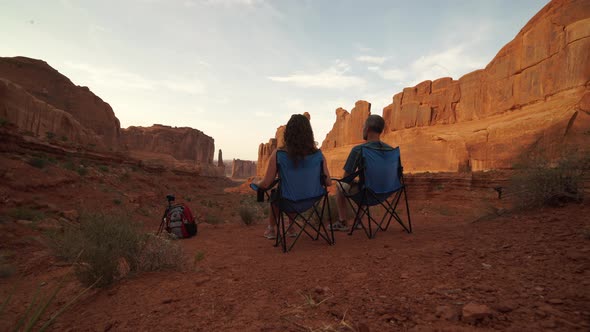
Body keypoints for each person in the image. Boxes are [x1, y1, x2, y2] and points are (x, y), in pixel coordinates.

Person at [255, 114, 332, 239]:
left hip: (289, 200)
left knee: (277, 193)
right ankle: (291, 227)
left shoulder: (279, 154)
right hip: (312, 199)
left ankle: (271, 229)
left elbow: (266, 184)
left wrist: (256, 183)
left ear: (288, 133)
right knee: (294, 190)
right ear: (309, 133)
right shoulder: (319, 155)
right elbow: (328, 182)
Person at [332, 114, 393, 231]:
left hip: (368, 193)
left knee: (340, 186)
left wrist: (350, 180)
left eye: (363, 127)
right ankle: (358, 221)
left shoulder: (359, 150)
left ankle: (342, 221)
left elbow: (346, 178)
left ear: (368, 129)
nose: (362, 129)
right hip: (387, 191)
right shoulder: (390, 150)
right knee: (365, 183)